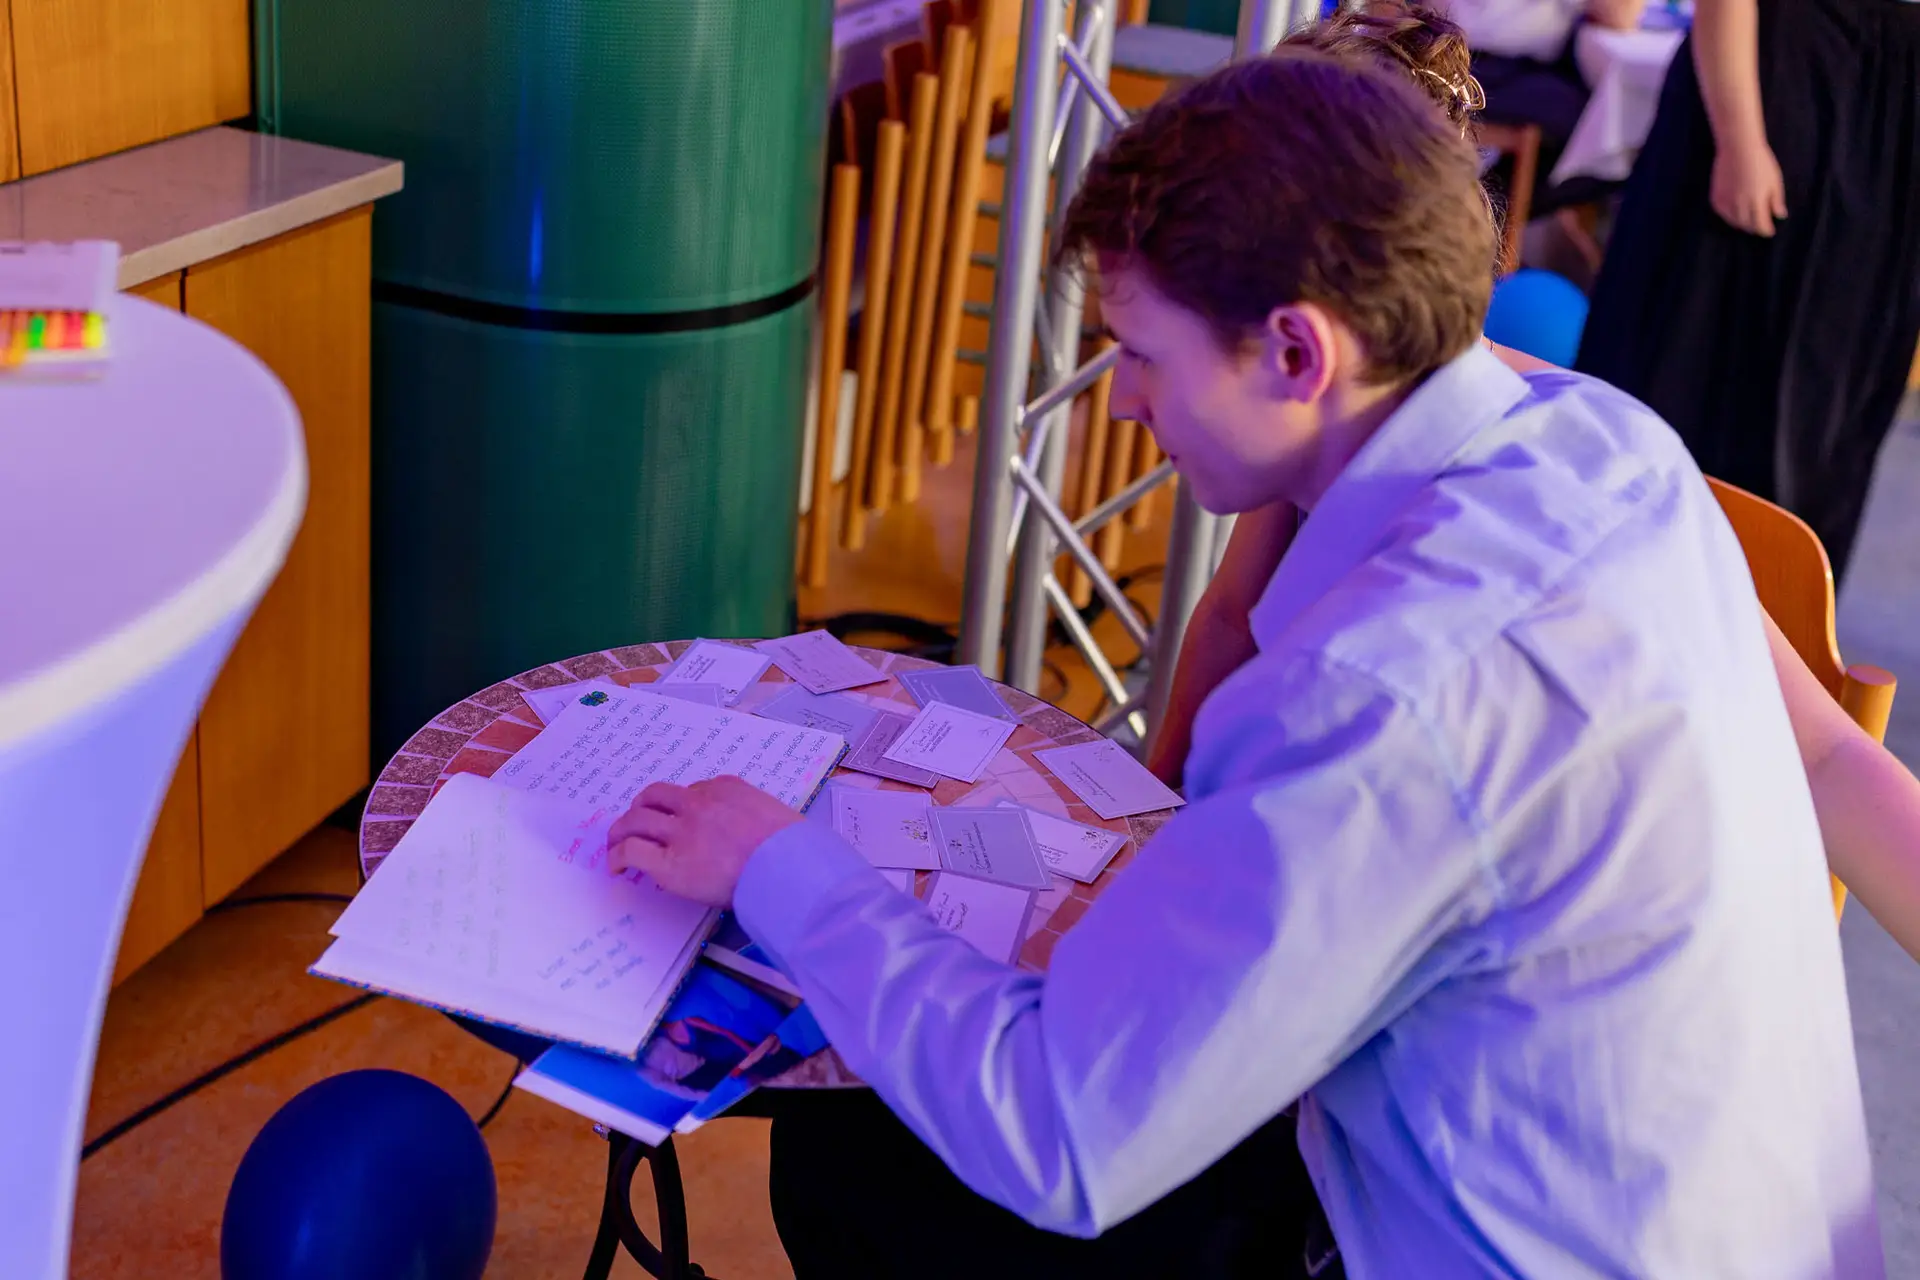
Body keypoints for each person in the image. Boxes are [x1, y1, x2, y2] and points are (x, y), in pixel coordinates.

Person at [609, 47, 1883, 1280]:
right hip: (1709, 1211)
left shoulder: (1377, 690)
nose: (1119, 403)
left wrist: (779, 859)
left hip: (1477, 1238)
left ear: (1295, 352)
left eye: (1144, 354)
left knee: (864, 1152)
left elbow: (1062, 1134)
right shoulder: (1615, 445)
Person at [1574, 0, 1920, 584]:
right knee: (1686, 364)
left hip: (1895, 113)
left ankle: (1775, 623)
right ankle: (1612, 590)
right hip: (1782, 84)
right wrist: (1740, 140)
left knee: (1832, 410)